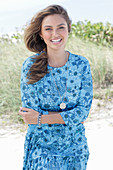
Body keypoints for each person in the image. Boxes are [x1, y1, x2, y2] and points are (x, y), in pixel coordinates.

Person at [19, 4, 93, 170]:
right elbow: (29, 115)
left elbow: (82, 113)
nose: (55, 34)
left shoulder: (81, 64)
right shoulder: (30, 66)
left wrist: (42, 118)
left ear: (68, 29)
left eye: (61, 27)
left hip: (75, 148)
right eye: (48, 29)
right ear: (41, 33)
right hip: (41, 149)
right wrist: (68, 116)